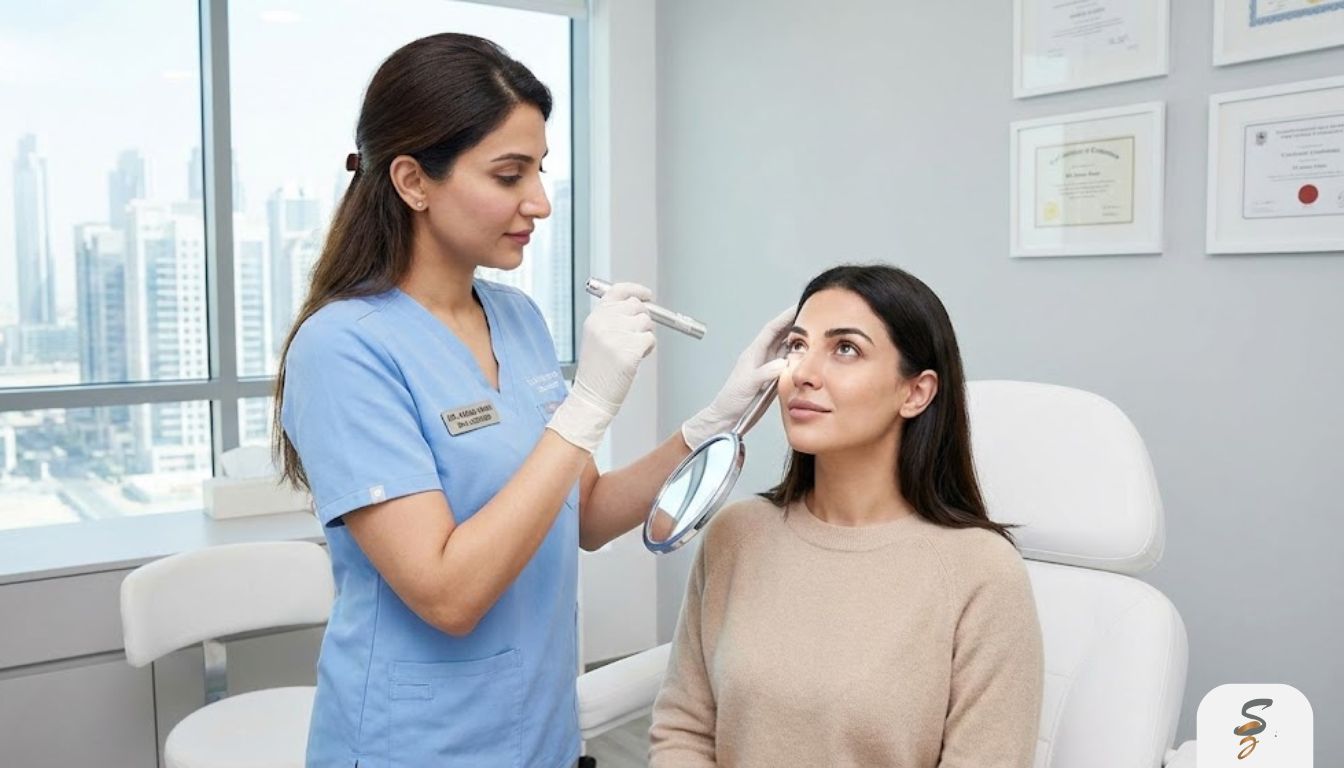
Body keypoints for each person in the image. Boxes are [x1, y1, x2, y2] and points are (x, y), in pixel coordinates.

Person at [273, 33, 791, 768]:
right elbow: (448, 594)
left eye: (539, 171)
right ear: (413, 180)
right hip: (415, 745)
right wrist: (588, 405)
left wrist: (714, 421)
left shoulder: (518, 320)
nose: (540, 203)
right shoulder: (343, 350)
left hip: (541, 732)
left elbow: (586, 512)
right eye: (509, 174)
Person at [650, 264, 1045, 767]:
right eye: (797, 346)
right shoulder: (736, 534)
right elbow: (683, 731)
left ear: (916, 392)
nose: (803, 373)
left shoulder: (983, 572)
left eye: (845, 349)